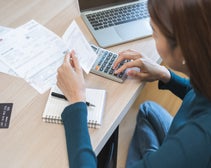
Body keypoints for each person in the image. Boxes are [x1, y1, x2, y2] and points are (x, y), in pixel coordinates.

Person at [56, 0, 211, 167]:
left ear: (183, 49)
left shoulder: (197, 139)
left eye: (155, 32)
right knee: (147, 110)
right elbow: (199, 96)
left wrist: (77, 99)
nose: (152, 36)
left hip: (187, 152)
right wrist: (166, 76)